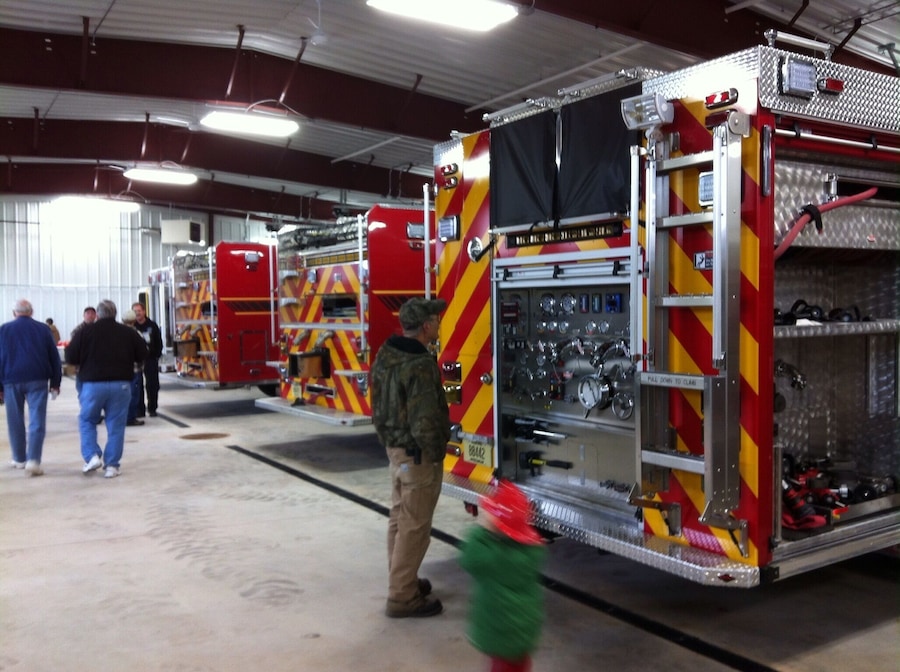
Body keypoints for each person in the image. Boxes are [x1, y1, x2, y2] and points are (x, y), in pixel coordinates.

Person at [371, 297, 450, 618]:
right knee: (415, 525)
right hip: (417, 454)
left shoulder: (386, 353)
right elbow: (425, 418)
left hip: (395, 448)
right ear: (427, 326)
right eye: (436, 320)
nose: (439, 324)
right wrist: (435, 452)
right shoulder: (419, 363)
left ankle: (401, 579)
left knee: (399, 518)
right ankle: (402, 596)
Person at [460, 480, 547, 672]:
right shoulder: (530, 551)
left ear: (498, 526)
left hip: (502, 635)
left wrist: (482, 531)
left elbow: (469, 558)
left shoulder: (493, 558)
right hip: (521, 634)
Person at [65, 299, 147, 478]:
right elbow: (143, 353)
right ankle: (112, 466)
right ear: (115, 314)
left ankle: (92, 455)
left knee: (87, 420)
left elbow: (70, 356)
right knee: (116, 425)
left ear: (98, 314)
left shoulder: (85, 331)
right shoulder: (128, 332)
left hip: (93, 385)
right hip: (121, 385)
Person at [0, 299, 62, 476]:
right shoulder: (43, 329)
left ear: (14, 313)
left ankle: (19, 458)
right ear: (32, 312)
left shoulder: (3, 330)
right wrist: (55, 383)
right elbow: (54, 357)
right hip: (38, 379)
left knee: (14, 420)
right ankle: (33, 460)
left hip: (11, 379)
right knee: (37, 419)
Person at [132, 302, 162, 417]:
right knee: (137, 386)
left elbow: (159, 342)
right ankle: (140, 410)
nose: (137, 313)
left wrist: (156, 355)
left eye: (139, 310)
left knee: (152, 385)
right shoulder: (132, 327)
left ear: (144, 311)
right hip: (136, 361)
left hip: (150, 359)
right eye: (135, 311)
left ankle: (152, 408)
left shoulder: (152, 325)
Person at [121, 310, 145, 427]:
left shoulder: (116, 333)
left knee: (122, 394)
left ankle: (122, 416)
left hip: (120, 370)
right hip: (134, 369)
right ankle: (130, 418)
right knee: (133, 394)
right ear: (134, 321)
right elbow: (142, 351)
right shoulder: (136, 334)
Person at [70, 306, 97, 398]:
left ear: (96, 316)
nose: (90, 316)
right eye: (88, 313)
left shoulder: (99, 329)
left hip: (96, 366)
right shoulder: (77, 331)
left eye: (92, 313)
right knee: (82, 390)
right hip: (81, 366)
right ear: (84, 315)